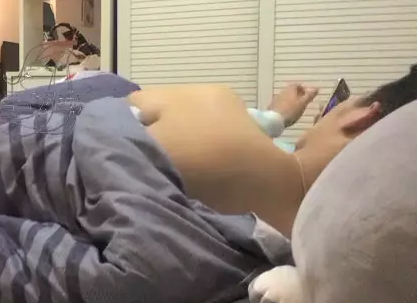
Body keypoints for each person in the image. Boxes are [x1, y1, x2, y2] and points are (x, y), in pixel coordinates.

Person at [128, 64, 417, 237]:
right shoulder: (310, 248)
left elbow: (128, 104)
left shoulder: (217, 103)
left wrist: (270, 119)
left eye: (343, 105)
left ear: (362, 117)